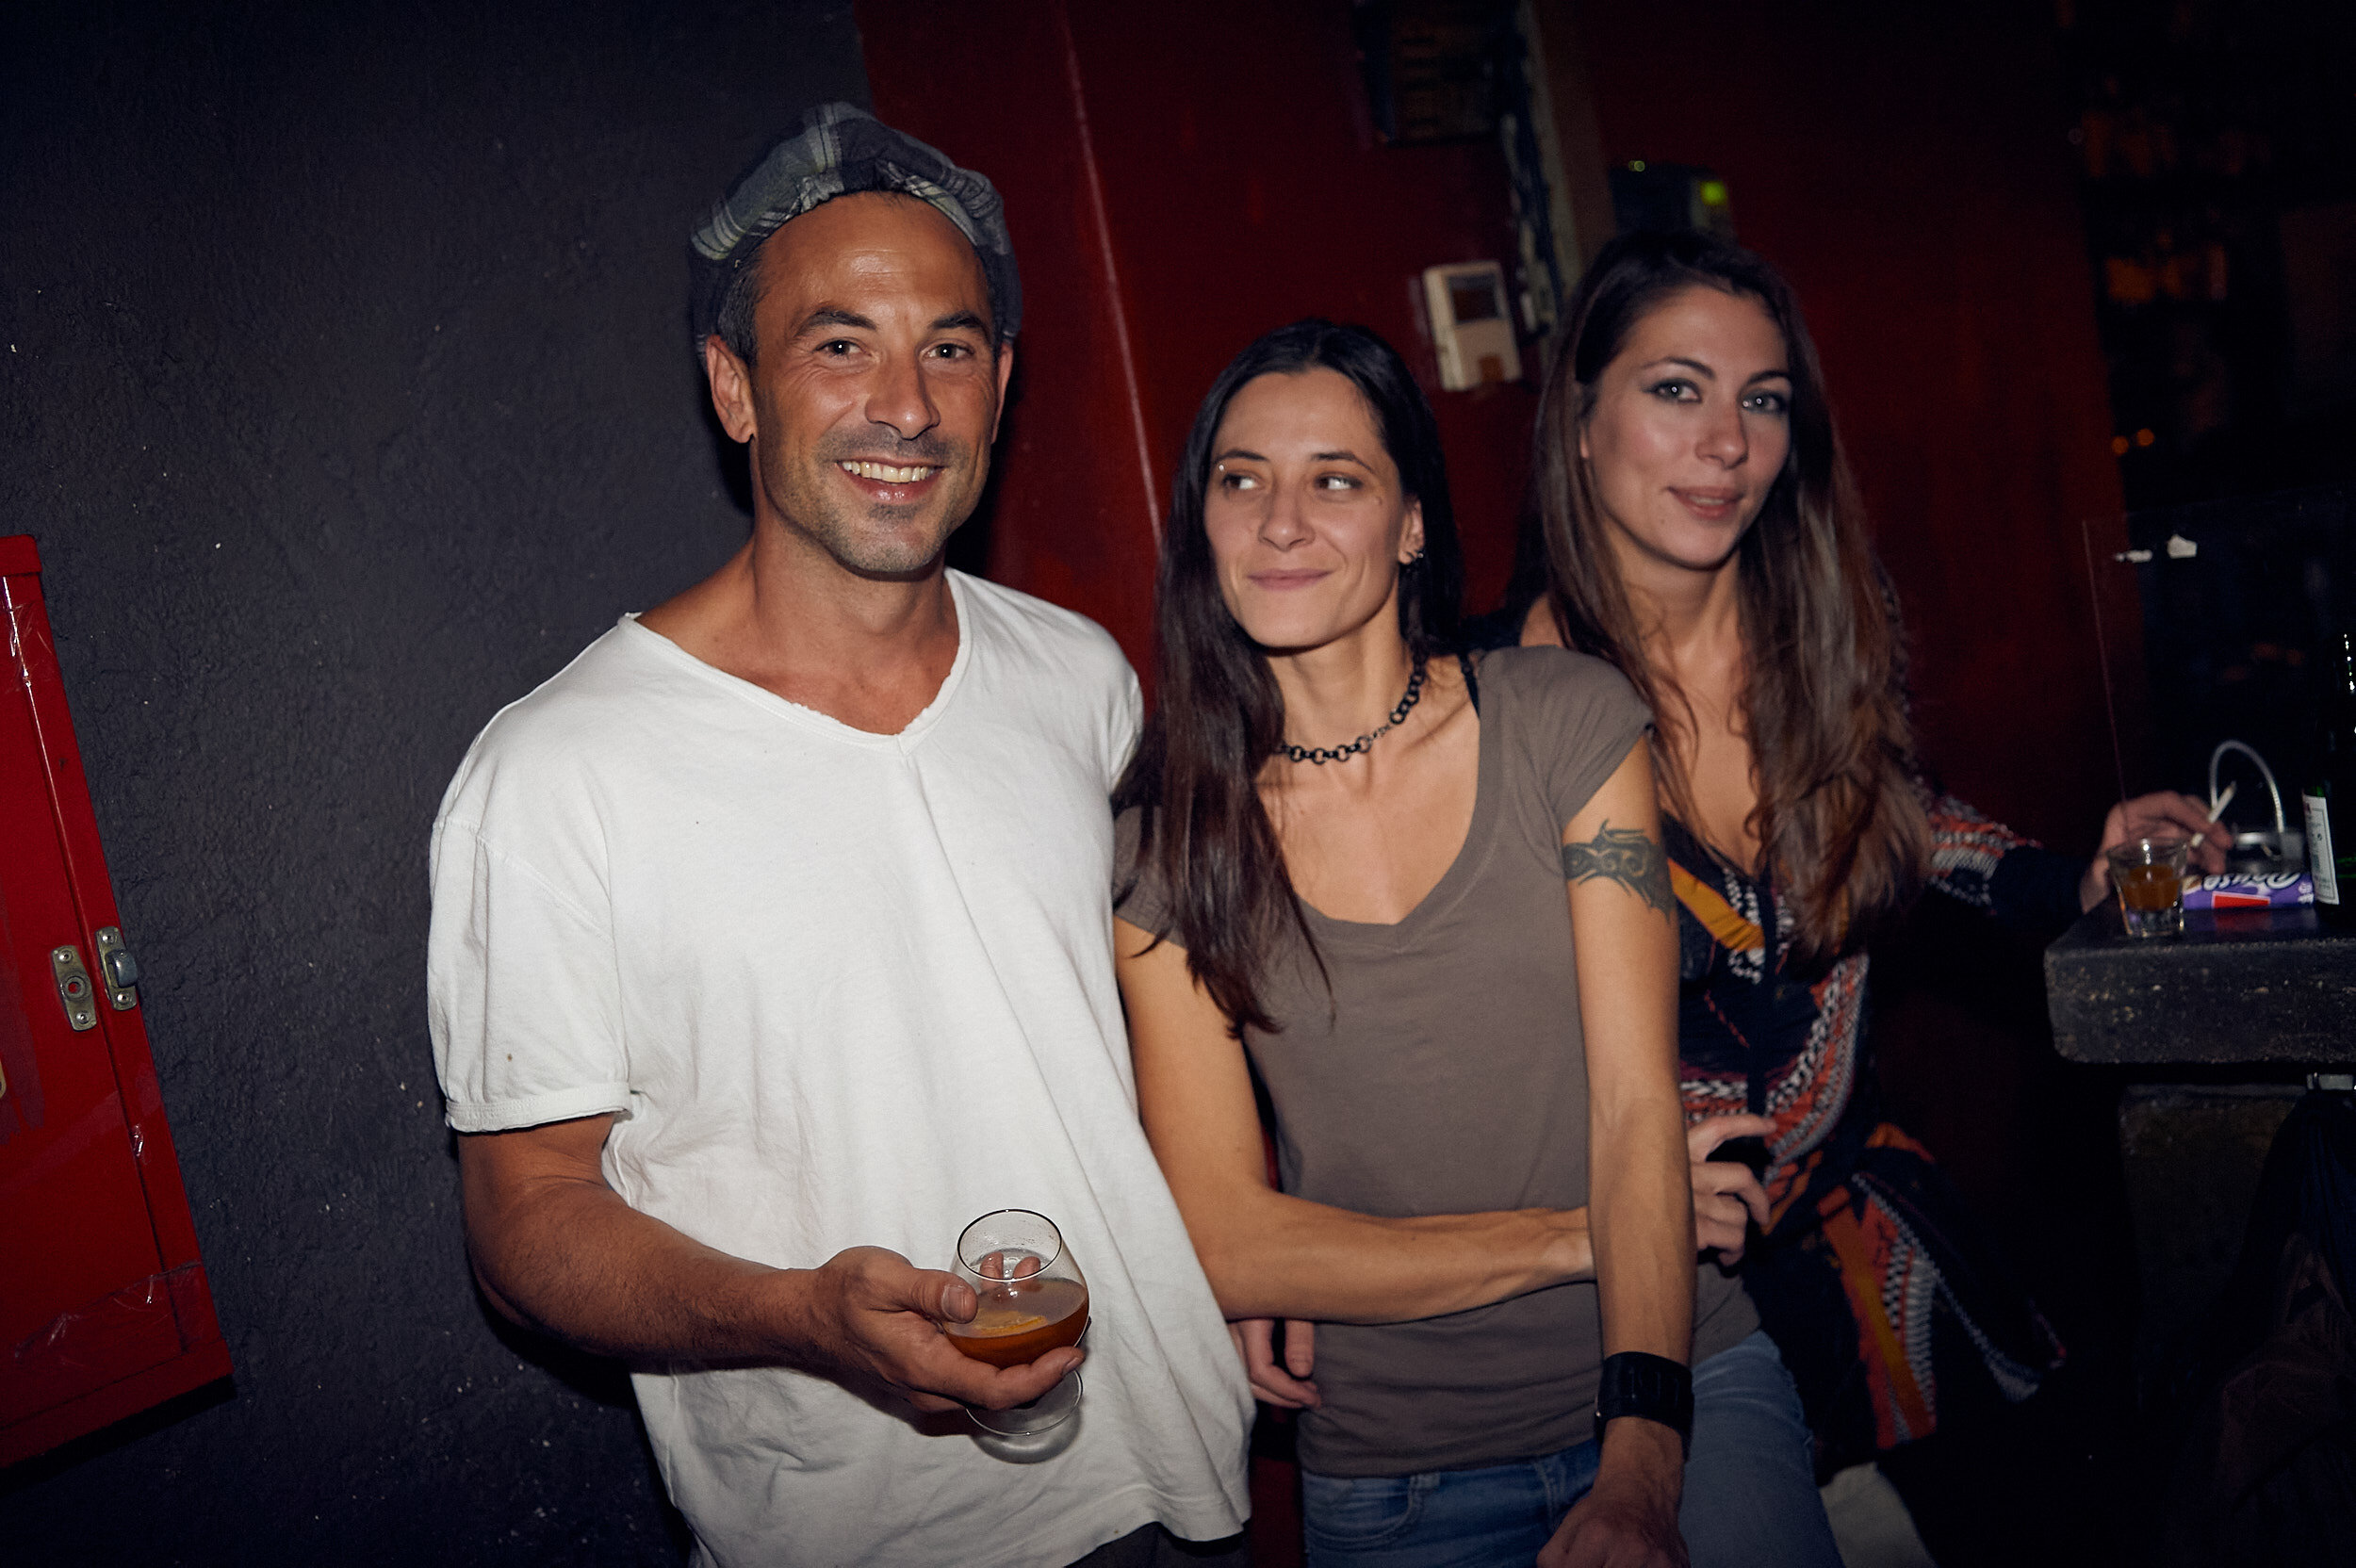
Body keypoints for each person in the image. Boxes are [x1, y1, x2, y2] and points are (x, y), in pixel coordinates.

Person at [425, 105, 1251, 1568]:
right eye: (838, 344)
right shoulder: (559, 773)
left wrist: (1248, 1258)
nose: (907, 405)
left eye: (949, 346)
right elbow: (523, 1225)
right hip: (860, 1529)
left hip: (1171, 1476)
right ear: (735, 391)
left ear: (1001, 382)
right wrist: (802, 1316)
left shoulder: (1081, 678)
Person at [1480, 227, 2231, 1478]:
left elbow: (1915, 823)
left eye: (1761, 401)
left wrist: (2078, 877)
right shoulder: (1484, 710)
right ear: (1578, 420)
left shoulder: (1813, 641)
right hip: (1642, 1299)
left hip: (1877, 1268)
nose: (1727, 442)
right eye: (1676, 390)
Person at [1111, 318, 1843, 1568]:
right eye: (1243, 481)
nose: (1281, 521)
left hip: (1674, 1383)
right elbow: (1229, 1241)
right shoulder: (1169, 845)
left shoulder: (1563, 723)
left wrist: (1640, 1473)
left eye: (1335, 479)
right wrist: (1583, 1231)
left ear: (1410, 526)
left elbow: (1631, 1108)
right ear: (1205, 527)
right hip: (1397, 1472)